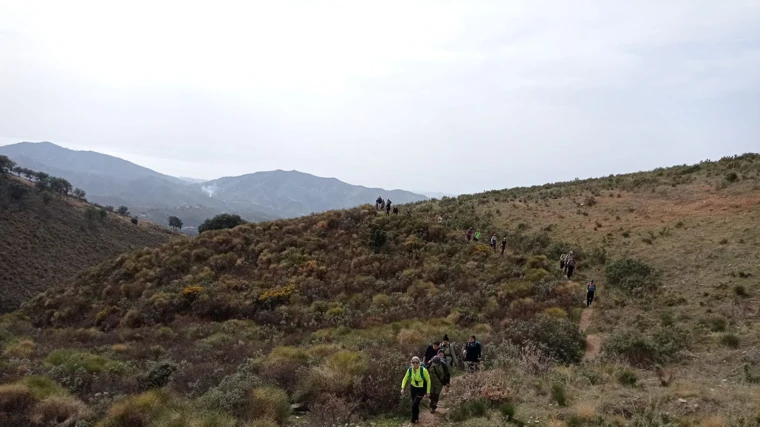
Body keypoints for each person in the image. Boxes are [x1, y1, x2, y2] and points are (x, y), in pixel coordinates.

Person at [401, 356, 430, 424]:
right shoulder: (410, 370)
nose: (415, 364)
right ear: (411, 363)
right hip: (413, 388)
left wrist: (428, 392)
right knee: (415, 403)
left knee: (414, 404)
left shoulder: (423, 370)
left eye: (416, 362)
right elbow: (405, 378)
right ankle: (416, 417)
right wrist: (402, 388)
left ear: (419, 363)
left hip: (421, 389)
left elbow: (428, 381)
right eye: (413, 362)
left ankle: (413, 419)